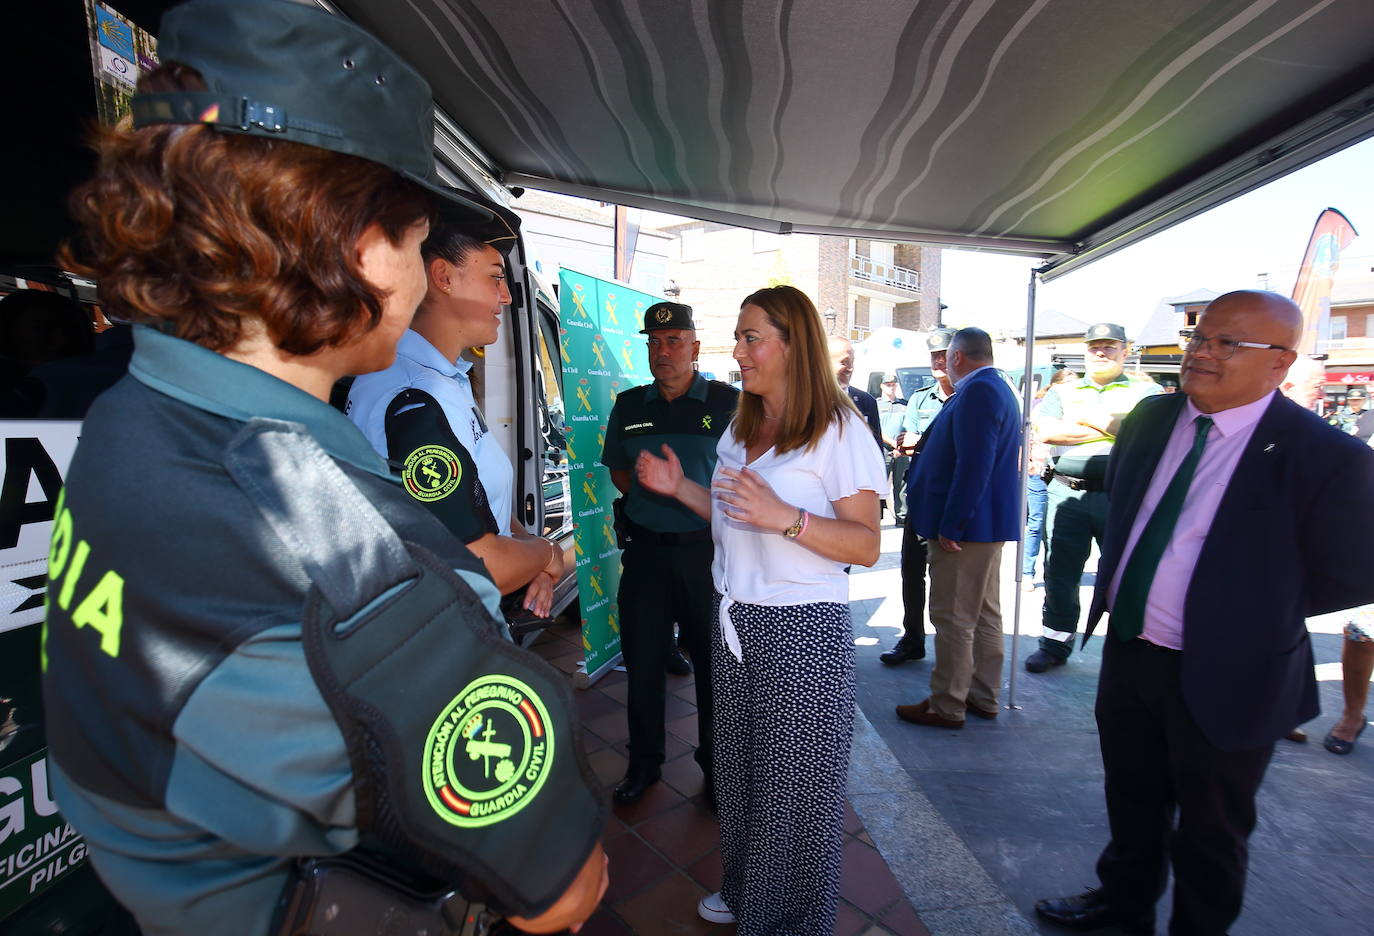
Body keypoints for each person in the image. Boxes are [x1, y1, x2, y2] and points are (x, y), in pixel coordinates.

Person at [41, 2, 608, 933]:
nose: (425, 278)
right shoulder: (341, 556)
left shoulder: (135, 414)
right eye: (420, 246)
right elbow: (563, 887)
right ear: (355, 246)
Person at [1035, 290, 1374, 935]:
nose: (1202, 353)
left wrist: (1247, 612)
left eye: (1228, 343)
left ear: (1280, 362)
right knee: (1131, 797)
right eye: (1200, 338)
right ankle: (1121, 903)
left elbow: (1351, 572)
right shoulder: (1149, 421)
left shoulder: (1328, 456)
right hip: (1133, 650)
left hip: (1233, 670)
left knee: (1214, 827)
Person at [636, 285, 884, 936]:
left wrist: (789, 519)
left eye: (751, 337)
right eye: (738, 337)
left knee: (794, 792)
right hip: (735, 619)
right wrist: (680, 487)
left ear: (792, 344)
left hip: (802, 628)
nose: (737, 351)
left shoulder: (839, 429)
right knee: (741, 773)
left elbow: (864, 542)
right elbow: (732, 516)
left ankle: (793, 920)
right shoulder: (742, 425)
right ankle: (747, 891)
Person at [346, 198, 565, 617]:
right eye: (495, 279)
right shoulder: (412, 394)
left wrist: (523, 556)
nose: (505, 297)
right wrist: (545, 555)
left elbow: (484, 509)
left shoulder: (447, 379)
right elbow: (473, 565)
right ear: (443, 277)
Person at [599, 301, 738, 805]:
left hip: (708, 556)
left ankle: (715, 765)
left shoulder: (729, 404)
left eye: (674, 340)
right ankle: (643, 765)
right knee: (643, 662)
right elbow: (619, 470)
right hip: (646, 555)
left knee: (712, 667)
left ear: (696, 348)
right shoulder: (630, 405)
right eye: (654, 342)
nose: (662, 351)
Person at [894, 328, 1021, 728]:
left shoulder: (979, 391)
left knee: (953, 617)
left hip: (967, 530)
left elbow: (974, 464)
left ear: (958, 357)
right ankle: (983, 695)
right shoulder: (993, 387)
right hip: (982, 526)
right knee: (983, 614)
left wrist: (953, 524)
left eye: (946, 355)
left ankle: (947, 703)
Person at [1024, 324, 1161, 673]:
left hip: (1122, 494)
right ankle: (1055, 643)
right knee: (1060, 572)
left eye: (1109, 347)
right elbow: (1050, 431)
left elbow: (1148, 434)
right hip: (1066, 492)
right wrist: (1115, 426)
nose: (1100, 353)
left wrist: (1086, 419)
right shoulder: (1064, 390)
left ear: (1125, 351)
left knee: (1126, 573)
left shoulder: (1147, 390)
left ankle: (1130, 646)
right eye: (1094, 347)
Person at [880, 327, 956, 665]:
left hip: (952, 502)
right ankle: (912, 640)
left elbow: (926, 442)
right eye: (934, 355)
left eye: (945, 354)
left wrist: (921, 441)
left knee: (949, 583)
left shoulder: (967, 397)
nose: (939, 360)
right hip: (919, 499)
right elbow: (903, 441)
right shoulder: (921, 398)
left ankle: (950, 653)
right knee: (911, 573)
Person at [1022, 368, 1077, 591]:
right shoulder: (1039, 407)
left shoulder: (1078, 410)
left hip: (1063, 475)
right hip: (1039, 471)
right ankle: (1027, 572)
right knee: (1036, 523)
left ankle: (1051, 571)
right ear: (1054, 386)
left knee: (1055, 528)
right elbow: (1032, 437)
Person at [828, 334, 883, 446]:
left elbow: (876, 447)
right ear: (825, 362)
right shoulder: (807, 401)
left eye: (852, 361)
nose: (850, 368)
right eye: (844, 362)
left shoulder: (866, 402)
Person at [876, 372, 909, 523]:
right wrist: (892, 443)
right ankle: (875, 517)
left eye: (893, 385)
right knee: (878, 485)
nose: (891, 388)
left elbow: (908, 427)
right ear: (882, 386)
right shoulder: (876, 404)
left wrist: (901, 446)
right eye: (888, 385)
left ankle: (902, 517)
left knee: (901, 483)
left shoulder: (904, 404)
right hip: (883, 450)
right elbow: (876, 429)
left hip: (901, 450)